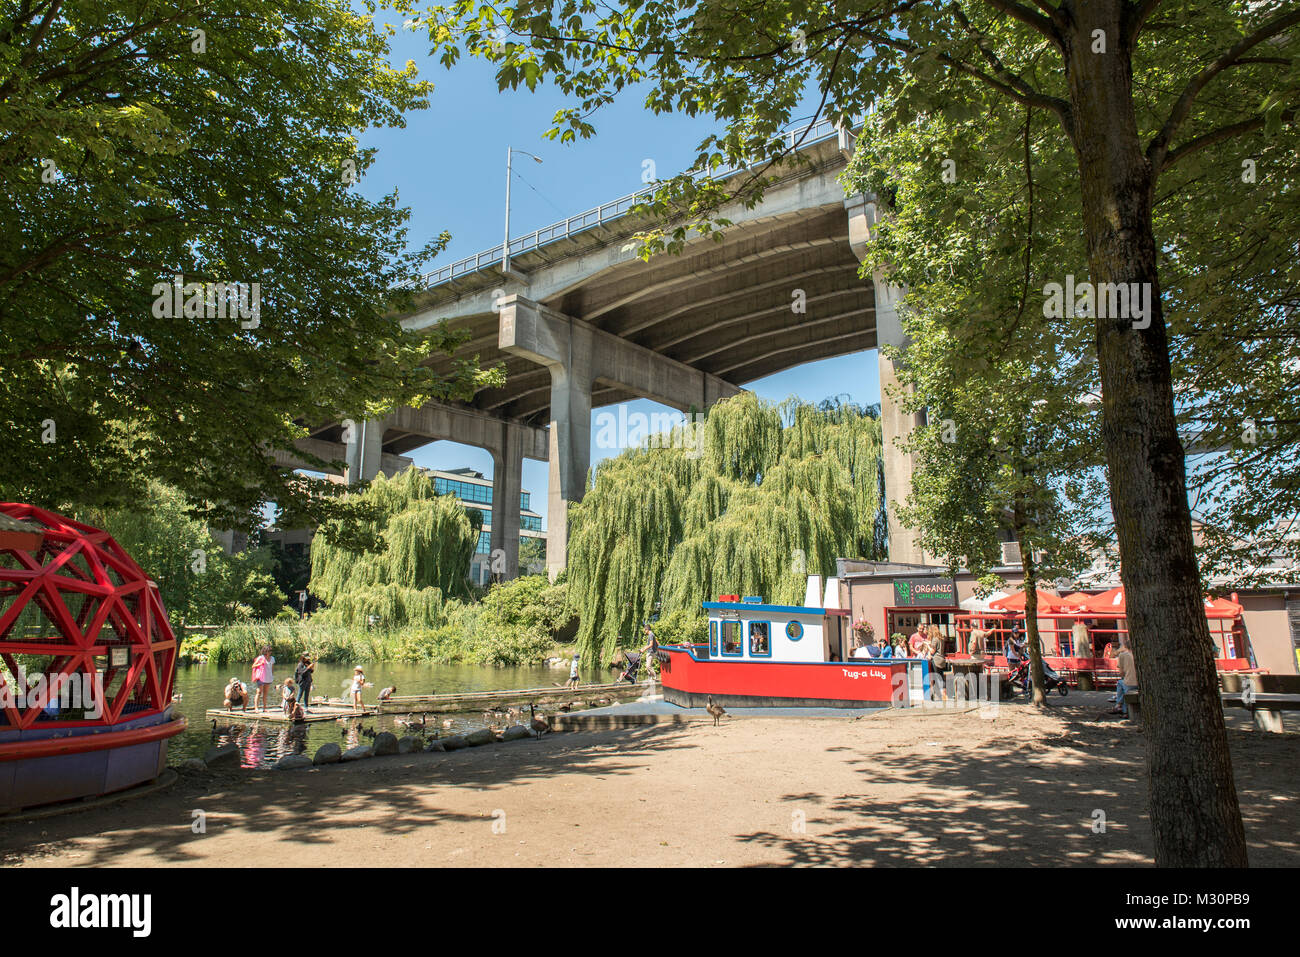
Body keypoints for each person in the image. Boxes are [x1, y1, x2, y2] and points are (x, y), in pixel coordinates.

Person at [1112, 637, 1139, 717]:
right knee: (1123, 686)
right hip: (1138, 682)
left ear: (1125, 647)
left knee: (1121, 684)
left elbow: (1121, 672)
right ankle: (1122, 708)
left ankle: (1120, 706)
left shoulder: (1122, 655)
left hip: (1130, 682)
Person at [251, 646, 275, 712]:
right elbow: (253, 666)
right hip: (261, 677)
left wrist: (272, 675)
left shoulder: (272, 658)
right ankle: (256, 708)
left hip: (268, 677)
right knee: (259, 692)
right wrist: (260, 664)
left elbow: (272, 668)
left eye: (270, 651)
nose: (270, 652)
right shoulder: (261, 658)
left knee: (265, 693)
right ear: (265, 651)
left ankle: (264, 708)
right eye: (269, 651)